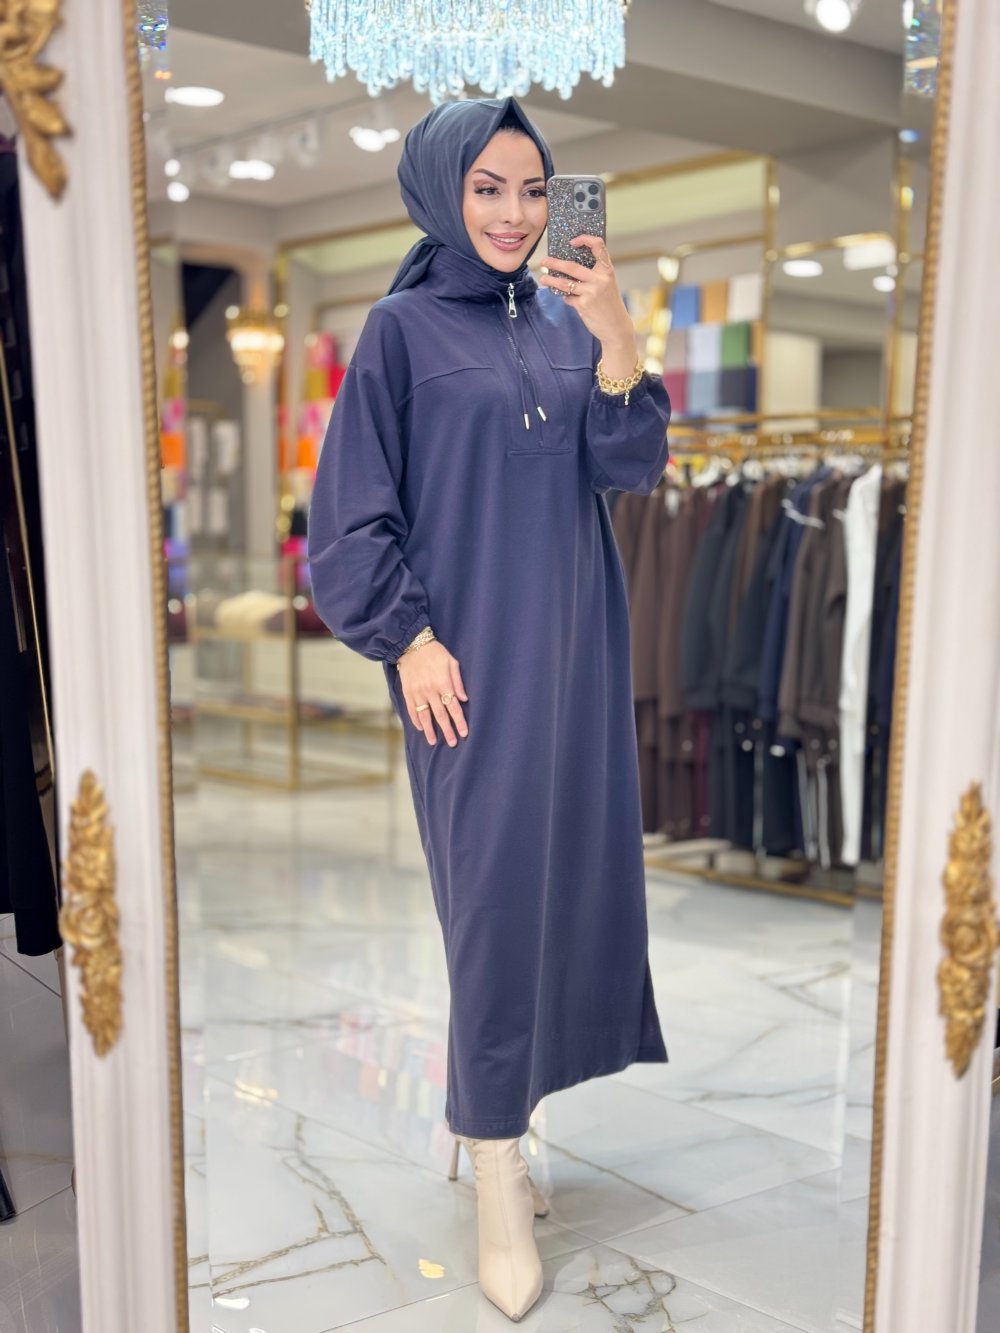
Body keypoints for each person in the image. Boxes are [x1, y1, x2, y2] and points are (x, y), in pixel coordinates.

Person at [307, 94, 671, 1322]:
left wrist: (614, 327)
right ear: (439, 191)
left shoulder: (570, 320)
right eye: (487, 188)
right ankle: (496, 1169)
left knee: (571, 891)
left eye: (533, 189)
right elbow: (348, 518)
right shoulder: (398, 331)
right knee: (495, 908)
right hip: (465, 674)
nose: (515, 215)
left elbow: (627, 464)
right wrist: (405, 638)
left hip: (578, 654)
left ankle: (517, 1121)